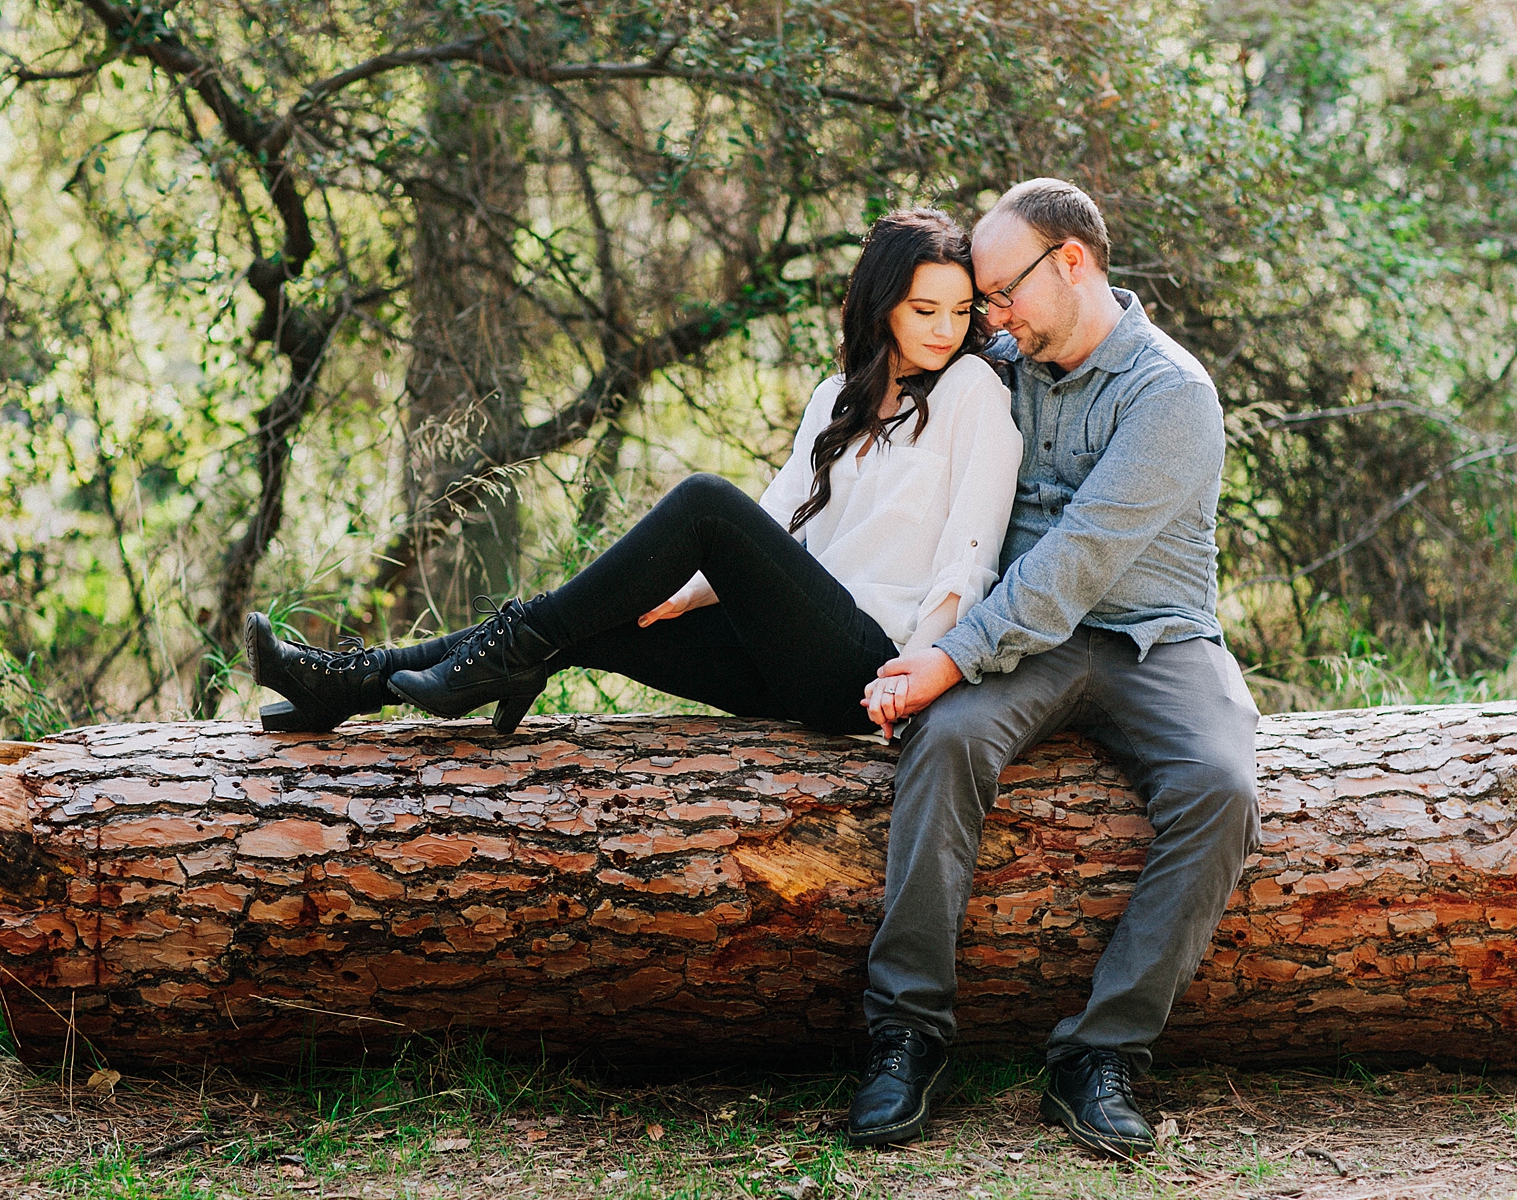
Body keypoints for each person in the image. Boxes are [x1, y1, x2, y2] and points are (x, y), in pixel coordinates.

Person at [244, 207, 1022, 742]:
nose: (946, 331)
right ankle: (349, 687)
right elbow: (780, 517)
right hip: (782, 657)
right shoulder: (836, 399)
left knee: (705, 504)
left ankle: (507, 651)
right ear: (883, 304)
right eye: (926, 311)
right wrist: (679, 593)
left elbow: (969, 555)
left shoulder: (971, 392)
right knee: (593, 619)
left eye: (960, 314)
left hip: (868, 666)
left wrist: (915, 676)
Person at [843, 179, 1261, 1155]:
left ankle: (1099, 1055)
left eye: (1000, 293)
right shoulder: (1000, 364)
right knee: (942, 743)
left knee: (1223, 787)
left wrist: (949, 657)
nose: (989, 316)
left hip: (1159, 636)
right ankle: (906, 1035)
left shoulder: (1172, 394)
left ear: (1071, 263)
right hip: (1020, 637)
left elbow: (1075, 561)